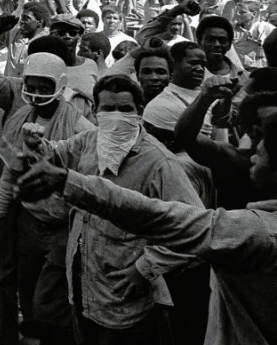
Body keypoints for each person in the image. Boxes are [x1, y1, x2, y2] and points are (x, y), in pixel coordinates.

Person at [16, 79, 277, 345]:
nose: (116, 117)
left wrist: (145, 267)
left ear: (140, 110)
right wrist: (36, 144)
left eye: (125, 109)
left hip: (126, 296)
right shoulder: (89, 141)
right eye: (108, 109)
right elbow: (59, 154)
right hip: (85, 282)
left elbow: (183, 222)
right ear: (95, 110)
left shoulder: (159, 162)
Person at [0, 53, 93, 345]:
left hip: (63, 226)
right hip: (29, 222)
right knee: (28, 297)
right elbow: (11, 173)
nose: (36, 93)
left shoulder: (81, 127)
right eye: (31, 85)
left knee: (50, 303)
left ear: (59, 85)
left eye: (44, 87)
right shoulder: (20, 119)